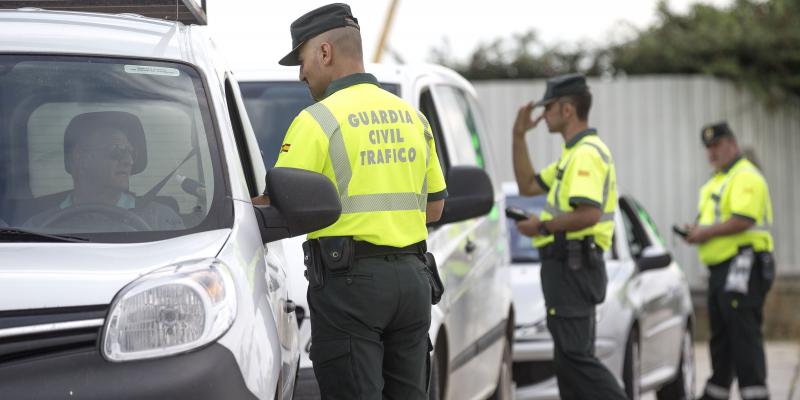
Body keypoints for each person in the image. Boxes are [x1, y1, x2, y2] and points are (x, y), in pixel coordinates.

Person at [267, 3, 447, 399]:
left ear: (325, 53)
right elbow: (434, 208)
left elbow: (280, 208)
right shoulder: (412, 118)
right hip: (414, 281)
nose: (301, 74)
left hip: (350, 288)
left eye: (302, 60)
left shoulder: (317, 120)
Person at [511, 74, 627, 399]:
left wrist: (542, 227)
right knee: (568, 363)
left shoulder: (586, 154)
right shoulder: (572, 154)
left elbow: (587, 214)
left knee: (576, 359)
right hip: (569, 268)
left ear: (567, 110)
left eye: (549, 107)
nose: (543, 114)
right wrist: (518, 135)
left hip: (573, 266)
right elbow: (528, 186)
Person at [682, 122, 774, 400]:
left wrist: (703, 233)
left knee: (744, 337)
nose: (712, 152)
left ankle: (755, 394)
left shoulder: (746, 176)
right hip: (722, 269)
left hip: (743, 266)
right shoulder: (716, 181)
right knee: (721, 339)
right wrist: (696, 232)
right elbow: (716, 221)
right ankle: (716, 391)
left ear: (732, 144)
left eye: (717, 145)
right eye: (708, 148)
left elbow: (742, 220)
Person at [25, 111, 184, 231]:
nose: (129, 161)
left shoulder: (160, 219)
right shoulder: (38, 226)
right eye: (118, 150)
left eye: (131, 152)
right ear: (81, 158)